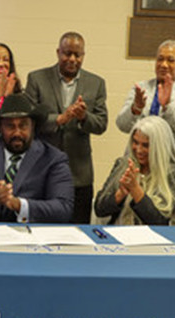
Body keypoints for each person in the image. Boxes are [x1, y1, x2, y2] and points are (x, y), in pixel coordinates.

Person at [25, 31, 108, 224]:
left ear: (83, 56)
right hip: (42, 170)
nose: (72, 59)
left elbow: (101, 124)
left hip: (79, 173)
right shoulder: (37, 79)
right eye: (67, 53)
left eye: (77, 55)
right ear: (58, 52)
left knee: (78, 232)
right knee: (42, 230)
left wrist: (83, 117)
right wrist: (60, 119)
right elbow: (29, 120)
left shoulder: (96, 83)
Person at [0, 94, 74, 223]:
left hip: (33, 237)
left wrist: (19, 205)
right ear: (0, 128)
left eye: (23, 125)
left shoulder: (53, 158)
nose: (17, 133)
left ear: (32, 126)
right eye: (10, 126)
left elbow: (63, 209)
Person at [116, 39, 175, 206]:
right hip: (139, 172)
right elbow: (122, 125)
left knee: (169, 225)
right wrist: (135, 109)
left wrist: (169, 107)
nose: (163, 64)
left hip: (173, 174)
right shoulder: (140, 88)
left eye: (170, 60)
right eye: (159, 59)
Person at [94, 116, 175, 225]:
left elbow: (159, 222)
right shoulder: (123, 165)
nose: (138, 150)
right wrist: (120, 194)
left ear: (159, 147)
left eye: (145, 145)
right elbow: (99, 209)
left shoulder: (174, 174)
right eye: (135, 142)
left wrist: (135, 189)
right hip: (118, 234)